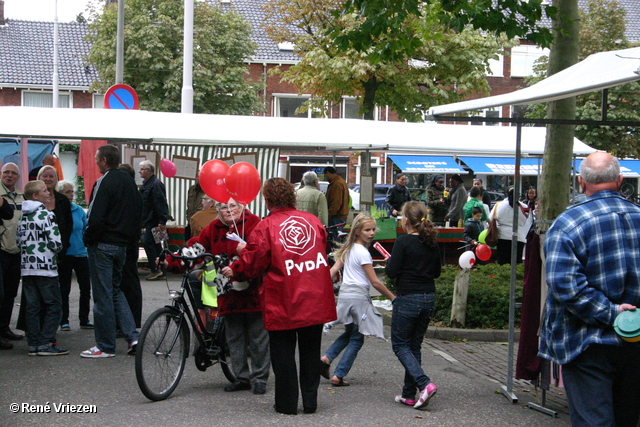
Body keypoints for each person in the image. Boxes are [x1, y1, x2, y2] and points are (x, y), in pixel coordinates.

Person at [539, 152, 640, 427]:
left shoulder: (568, 224)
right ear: (619, 180)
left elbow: (565, 287)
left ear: (581, 183)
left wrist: (612, 312)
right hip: (634, 342)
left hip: (585, 343)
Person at [222, 178, 336, 415]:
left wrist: (239, 265)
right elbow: (321, 251)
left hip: (282, 297)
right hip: (314, 295)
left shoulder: (265, 226)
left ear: (267, 199)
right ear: (292, 197)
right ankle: (310, 402)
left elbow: (254, 262)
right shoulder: (313, 221)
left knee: (283, 354)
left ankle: (286, 404)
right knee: (310, 350)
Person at [167, 198, 270, 395]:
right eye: (224, 207)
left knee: (258, 338)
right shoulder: (213, 228)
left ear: (242, 206)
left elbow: (259, 254)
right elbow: (196, 248)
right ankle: (241, 377)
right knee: (235, 337)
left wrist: (239, 268)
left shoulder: (255, 223)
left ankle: (259, 379)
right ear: (218, 210)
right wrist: (172, 260)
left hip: (254, 291)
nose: (229, 210)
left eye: (233, 205)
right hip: (227, 292)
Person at [320, 213, 395, 387]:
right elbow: (375, 281)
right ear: (357, 231)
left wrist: (320, 285)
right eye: (367, 230)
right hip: (358, 298)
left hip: (345, 296)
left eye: (373, 229)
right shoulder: (363, 253)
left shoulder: (349, 249)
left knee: (350, 333)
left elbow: (333, 270)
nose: (371, 233)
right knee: (357, 338)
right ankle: (339, 374)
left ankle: (326, 359)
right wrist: (392, 297)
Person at [81, 145, 141, 358]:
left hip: (104, 244)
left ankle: (105, 345)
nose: (96, 162)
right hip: (122, 245)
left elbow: (95, 216)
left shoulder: (104, 181)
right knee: (115, 290)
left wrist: (88, 238)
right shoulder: (130, 183)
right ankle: (133, 336)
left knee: (103, 295)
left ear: (105, 160)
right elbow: (137, 214)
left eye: (97, 159)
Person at [385, 201, 441, 410]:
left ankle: (424, 383)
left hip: (408, 297)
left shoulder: (403, 242)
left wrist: (392, 261)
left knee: (400, 345)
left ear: (406, 220)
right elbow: (437, 272)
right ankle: (409, 394)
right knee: (414, 345)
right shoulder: (431, 243)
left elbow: (391, 272)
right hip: (428, 298)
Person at [18, 180, 67, 355]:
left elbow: (18, 240)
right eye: (44, 190)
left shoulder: (23, 215)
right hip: (46, 266)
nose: (48, 192)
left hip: (27, 267)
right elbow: (56, 242)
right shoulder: (46, 214)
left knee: (32, 307)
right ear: (35, 196)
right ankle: (46, 342)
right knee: (54, 305)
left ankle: (33, 343)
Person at [37, 165, 73, 331]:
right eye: (45, 176)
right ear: (39, 177)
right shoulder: (32, 199)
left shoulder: (62, 200)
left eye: (51, 176)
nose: (48, 179)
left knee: (61, 290)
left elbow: (68, 226)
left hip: (60, 253)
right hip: (37, 255)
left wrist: (62, 247)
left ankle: (61, 320)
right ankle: (39, 326)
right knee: (39, 292)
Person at [57, 180, 93, 330]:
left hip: (81, 253)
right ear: (60, 194)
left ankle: (84, 319)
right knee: (64, 288)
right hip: (66, 254)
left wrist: (85, 244)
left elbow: (85, 229)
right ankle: (63, 319)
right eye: (67, 192)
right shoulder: (57, 210)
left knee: (85, 288)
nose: (71, 195)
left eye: (72, 192)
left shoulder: (79, 210)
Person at [0, 163, 26, 343]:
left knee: (10, 293)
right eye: (6, 172)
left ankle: (4, 328)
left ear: (18, 177)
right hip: (1, 250)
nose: (9, 176)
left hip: (16, 251)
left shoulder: (21, 197)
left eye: (13, 173)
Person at [117, 163, 144, 328]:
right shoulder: (135, 193)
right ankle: (132, 320)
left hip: (125, 242)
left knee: (126, 282)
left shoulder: (128, 194)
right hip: (131, 241)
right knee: (129, 280)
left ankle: (129, 321)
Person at [139, 160, 170, 281]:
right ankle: (162, 269)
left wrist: (162, 221)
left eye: (142, 169)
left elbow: (161, 203)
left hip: (155, 221)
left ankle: (155, 269)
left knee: (147, 242)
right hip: (150, 220)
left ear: (149, 170)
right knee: (157, 245)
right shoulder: (147, 183)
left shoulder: (155, 184)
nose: (139, 171)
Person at [488, 187, 529, 265]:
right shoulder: (525, 207)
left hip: (502, 237)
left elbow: (490, 219)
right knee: (517, 264)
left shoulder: (498, 205)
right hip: (519, 237)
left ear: (506, 194)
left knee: (502, 264)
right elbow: (528, 222)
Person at [323, 166, 349, 239]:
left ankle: (337, 250)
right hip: (341, 215)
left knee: (336, 239)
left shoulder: (336, 184)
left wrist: (329, 214)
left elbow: (336, 201)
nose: (326, 178)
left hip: (336, 216)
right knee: (338, 237)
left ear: (328, 173)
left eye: (325, 176)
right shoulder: (341, 182)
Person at [185, 173, 207, 241]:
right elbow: (189, 204)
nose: (199, 178)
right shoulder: (192, 189)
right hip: (190, 220)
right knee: (188, 243)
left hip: (200, 223)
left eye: (201, 176)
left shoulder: (207, 190)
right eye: (197, 176)